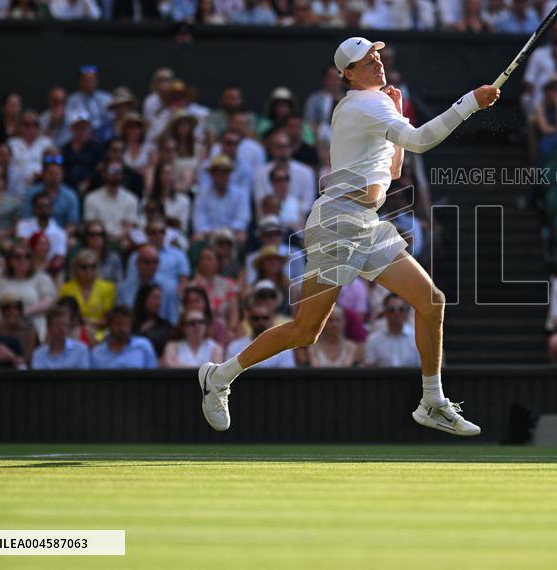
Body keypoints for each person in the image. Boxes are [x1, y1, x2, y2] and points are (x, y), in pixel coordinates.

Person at [197, 37, 498, 435]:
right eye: (365, 60)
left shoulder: (371, 106)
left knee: (431, 301)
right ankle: (219, 376)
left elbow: (393, 171)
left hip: (367, 223)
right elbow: (422, 140)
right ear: (349, 75)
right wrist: (470, 102)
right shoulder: (364, 105)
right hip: (338, 222)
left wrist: (397, 111)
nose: (377, 62)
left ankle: (432, 401)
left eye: (377, 55)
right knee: (306, 331)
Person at [57, 249, 116, 341]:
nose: (88, 270)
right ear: (75, 269)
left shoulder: (108, 288)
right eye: (84, 267)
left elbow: (107, 320)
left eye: (93, 266)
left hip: (101, 333)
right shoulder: (66, 289)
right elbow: (64, 317)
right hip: (74, 333)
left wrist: (84, 321)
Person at [225, 302, 296, 368]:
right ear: (249, 320)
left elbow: (287, 375)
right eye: (256, 318)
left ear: (272, 320)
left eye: (265, 318)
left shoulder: (283, 349)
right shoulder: (235, 347)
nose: (261, 322)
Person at [90, 306, 158, 369]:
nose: (122, 329)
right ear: (109, 326)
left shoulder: (143, 346)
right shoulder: (97, 352)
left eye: (126, 324)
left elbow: (153, 373)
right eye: (118, 324)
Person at [363, 293, 420, 368]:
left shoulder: (417, 340)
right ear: (385, 312)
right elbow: (369, 368)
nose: (397, 313)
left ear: (407, 312)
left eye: (401, 309)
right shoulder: (373, 340)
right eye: (392, 310)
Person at [30, 305, 90, 370]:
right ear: (49, 328)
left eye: (64, 325)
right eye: (58, 325)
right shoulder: (39, 354)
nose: (62, 329)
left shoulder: (81, 350)